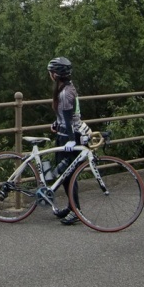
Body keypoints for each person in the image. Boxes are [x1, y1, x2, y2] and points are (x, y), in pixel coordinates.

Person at [46, 57, 91, 225]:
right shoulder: (67, 88)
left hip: (70, 137)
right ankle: (72, 206)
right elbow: (66, 116)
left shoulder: (65, 93)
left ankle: (76, 210)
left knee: (69, 175)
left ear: (55, 75)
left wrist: (71, 140)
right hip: (65, 134)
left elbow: (69, 117)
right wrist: (56, 124)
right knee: (65, 175)